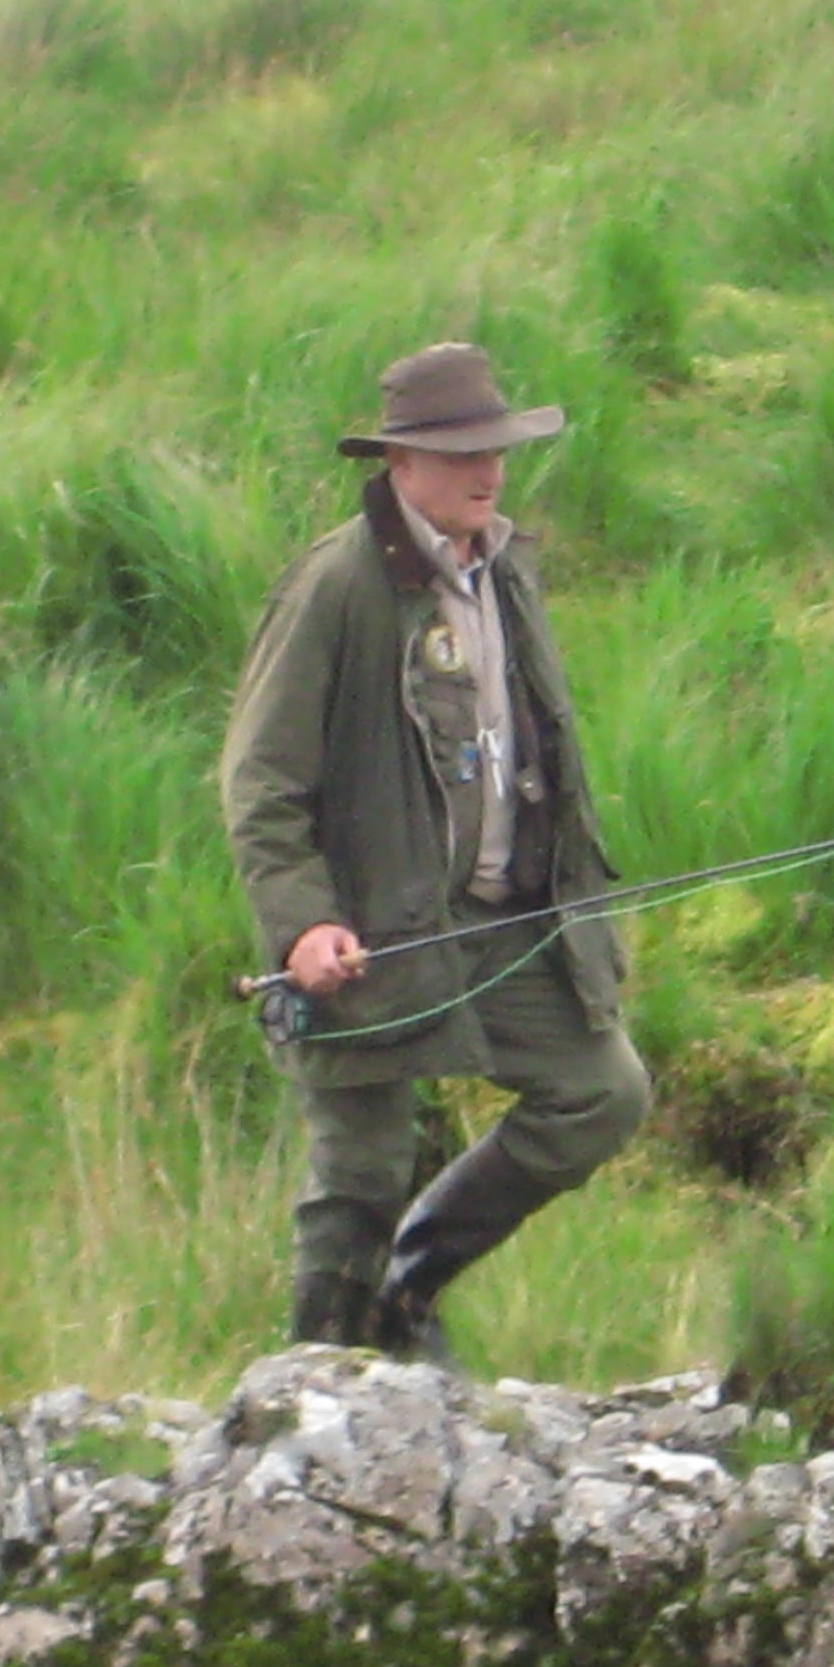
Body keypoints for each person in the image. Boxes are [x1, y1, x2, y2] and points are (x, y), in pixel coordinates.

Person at [220, 341, 651, 1361]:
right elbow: (260, 779)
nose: (488, 471)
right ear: (400, 461)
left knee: (602, 1095)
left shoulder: (506, 568)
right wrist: (304, 925)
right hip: (373, 932)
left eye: (496, 449)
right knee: (361, 1171)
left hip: (505, 918)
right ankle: (316, 1380)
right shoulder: (335, 586)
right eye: (462, 454)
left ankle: (409, 1290)